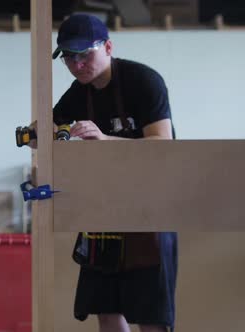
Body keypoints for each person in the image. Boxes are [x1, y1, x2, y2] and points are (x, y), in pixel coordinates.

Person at [50, 13, 178, 332]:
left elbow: (164, 145)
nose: (77, 65)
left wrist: (105, 139)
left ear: (108, 47)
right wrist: (42, 134)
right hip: (103, 212)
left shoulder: (144, 81)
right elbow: (52, 128)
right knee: (105, 309)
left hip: (150, 211)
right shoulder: (76, 95)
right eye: (68, 57)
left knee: (150, 315)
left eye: (84, 55)